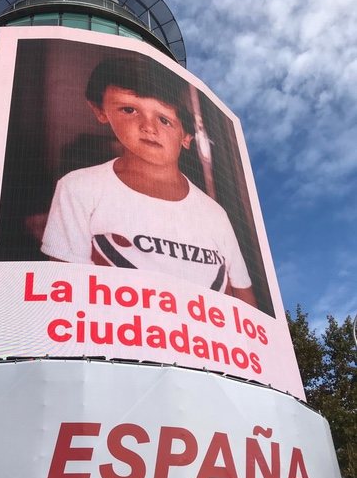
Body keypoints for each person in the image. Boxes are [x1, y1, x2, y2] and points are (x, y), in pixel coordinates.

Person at [40, 55, 256, 306]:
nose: (148, 128)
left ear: (187, 137)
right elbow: (63, 293)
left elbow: (243, 296)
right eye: (129, 110)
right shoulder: (78, 188)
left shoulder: (215, 214)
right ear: (100, 110)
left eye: (164, 119)